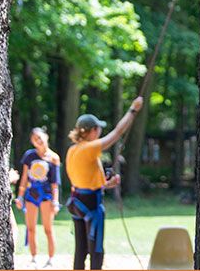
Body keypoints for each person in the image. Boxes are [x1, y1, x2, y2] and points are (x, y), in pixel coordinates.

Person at [66, 96, 144, 270]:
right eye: (98, 128)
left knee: (81, 250)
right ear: (92, 130)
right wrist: (133, 110)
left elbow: (82, 179)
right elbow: (116, 133)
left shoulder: (73, 150)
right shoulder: (89, 148)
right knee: (96, 250)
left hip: (76, 202)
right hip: (91, 205)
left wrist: (107, 183)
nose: (100, 131)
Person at [15, 127, 61, 268]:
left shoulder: (54, 158)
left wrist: (56, 201)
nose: (38, 141)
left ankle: (51, 259)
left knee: (48, 228)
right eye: (35, 139)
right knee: (31, 228)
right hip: (31, 195)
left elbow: (55, 183)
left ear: (46, 137)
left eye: (40, 138)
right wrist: (20, 197)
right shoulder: (29, 156)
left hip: (46, 196)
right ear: (32, 142)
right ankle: (33, 258)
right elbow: (24, 177)